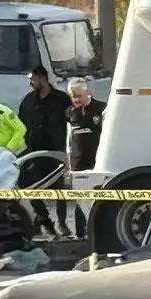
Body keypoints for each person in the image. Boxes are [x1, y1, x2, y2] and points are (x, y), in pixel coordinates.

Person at [17, 66, 72, 239]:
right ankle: (45, 222)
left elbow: (72, 119)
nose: (31, 83)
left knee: (59, 189)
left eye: (33, 79)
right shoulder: (27, 101)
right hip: (34, 152)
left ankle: (62, 224)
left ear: (42, 78)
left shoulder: (61, 99)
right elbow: (21, 124)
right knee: (30, 187)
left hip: (55, 151)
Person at [65, 79, 107, 238]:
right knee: (80, 200)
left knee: (97, 200)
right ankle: (81, 234)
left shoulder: (101, 109)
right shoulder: (70, 112)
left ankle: (99, 232)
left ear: (86, 92)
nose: (76, 99)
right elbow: (69, 139)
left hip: (96, 161)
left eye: (79, 95)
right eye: (73, 96)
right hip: (78, 163)